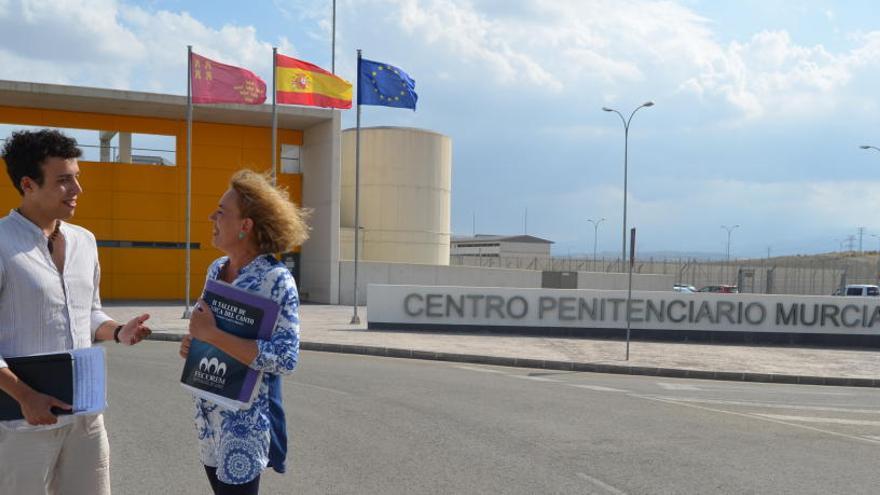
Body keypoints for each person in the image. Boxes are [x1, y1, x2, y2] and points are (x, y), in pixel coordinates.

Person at [0, 129, 152, 494]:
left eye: (77, 178)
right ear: (28, 184)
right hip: (21, 421)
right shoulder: (2, 242)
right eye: (64, 180)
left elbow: (89, 314)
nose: (77, 190)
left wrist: (118, 331)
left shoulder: (85, 241)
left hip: (86, 413)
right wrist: (25, 396)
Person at [179, 169, 308, 494]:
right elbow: (206, 329)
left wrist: (211, 336)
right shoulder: (216, 269)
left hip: (244, 423)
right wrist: (193, 343)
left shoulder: (276, 280)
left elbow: (285, 360)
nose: (212, 216)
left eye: (221, 212)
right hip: (208, 415)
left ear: (245, 226)